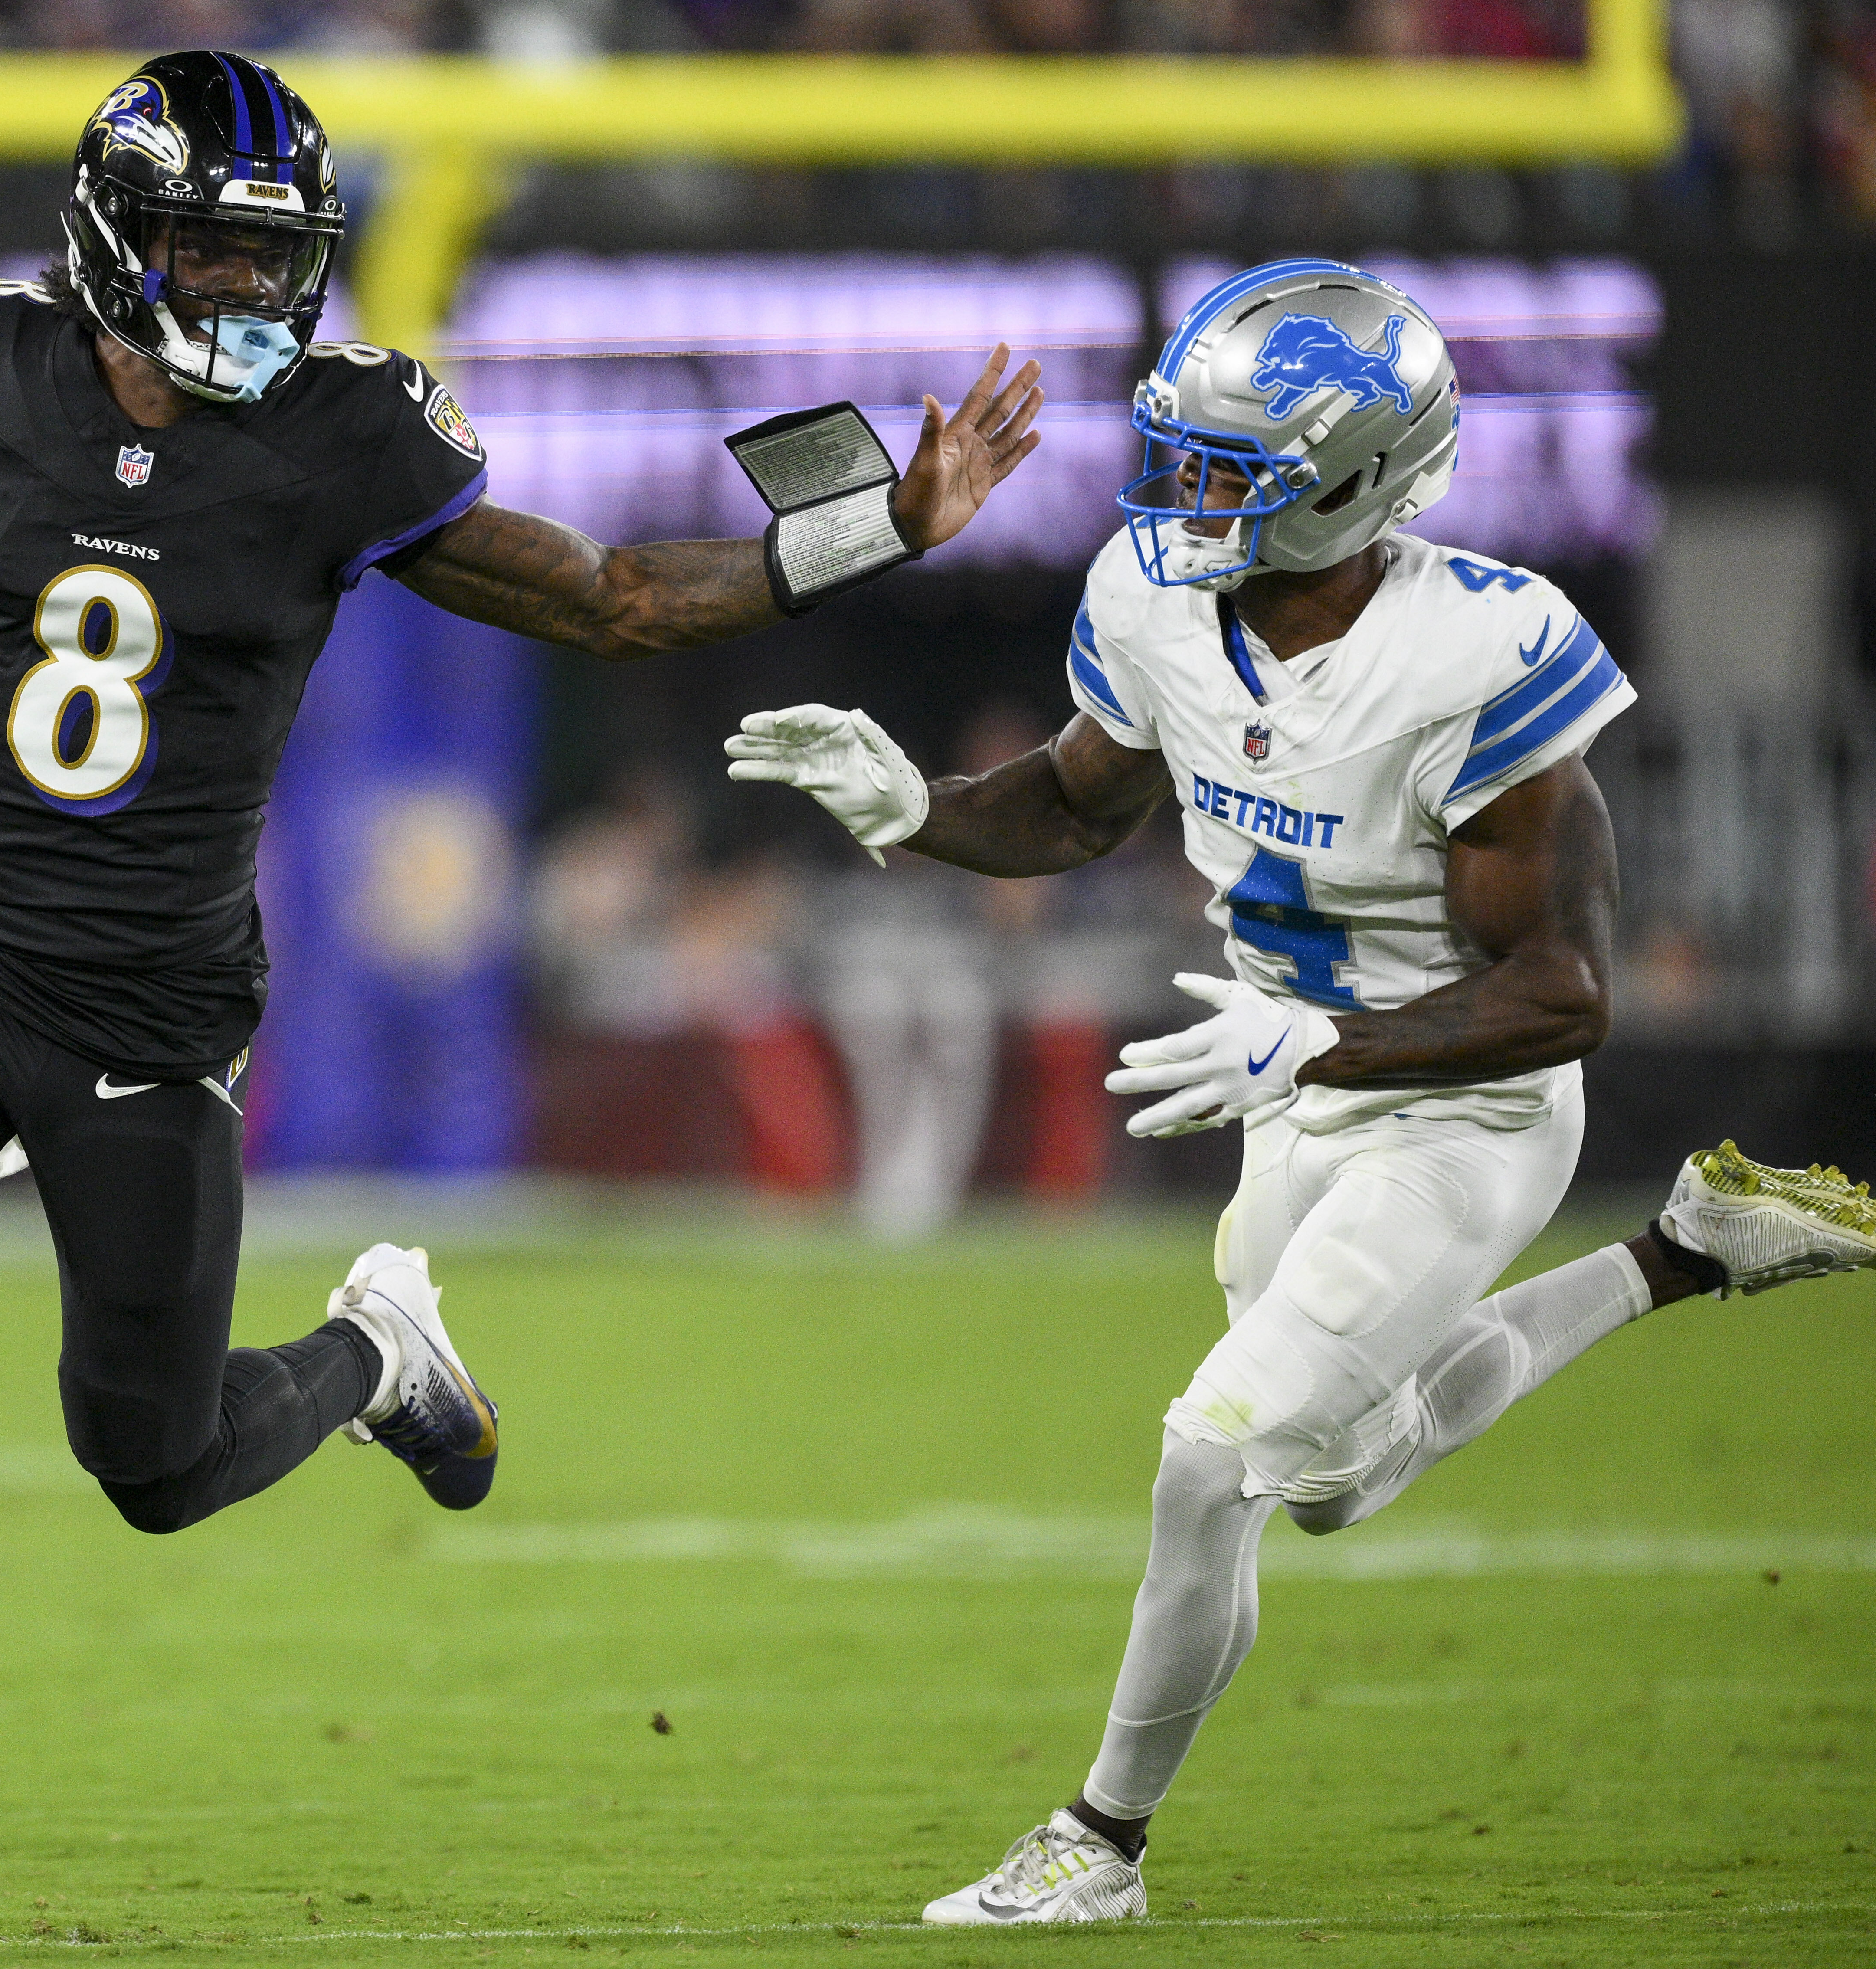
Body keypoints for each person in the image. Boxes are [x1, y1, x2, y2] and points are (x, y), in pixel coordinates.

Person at [0, 49, 1046, 1928]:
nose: (247, 292)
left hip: (142, 1019)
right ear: (119, 241)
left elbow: (611, 591)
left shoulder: (341, 433)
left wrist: (866, 527)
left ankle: (376, 1351)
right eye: (208, 253)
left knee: (153, 1459)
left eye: (274, 259)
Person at [724, 257, 1876, 1926]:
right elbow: (1072, 803)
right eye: (1179, 451)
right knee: (1333, 1476)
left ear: (1353, 483)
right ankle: (1685, 1250)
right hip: (1288, 1087)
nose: (1180, 493)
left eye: (1227, 468)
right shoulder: (1151, 598)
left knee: (1215, 1456)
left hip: (1462, 1110)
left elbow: (1566, 997)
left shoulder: (1481, 650)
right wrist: (913, 805)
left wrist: (1321, 1046)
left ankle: (1098, 1841)